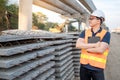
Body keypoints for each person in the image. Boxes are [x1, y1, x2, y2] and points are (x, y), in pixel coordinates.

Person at [76, 10, 111, 80]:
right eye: (89, 18)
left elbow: (101, 50)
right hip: (84, 67)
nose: (89, 20)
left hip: (97, 68)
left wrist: (86, 47)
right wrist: (95, 45)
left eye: (92, 18)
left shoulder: (106, 34)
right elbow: (78, 45)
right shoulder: (85, 32)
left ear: (99, 20)